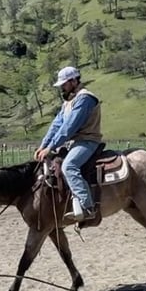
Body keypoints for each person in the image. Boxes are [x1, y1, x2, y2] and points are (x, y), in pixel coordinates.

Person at [34, 66, 102, 222]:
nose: (62, 88)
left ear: (73, 81)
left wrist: (50, 147)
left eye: (64, 84)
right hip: (76, 142)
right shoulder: (69, 101)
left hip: (88, 141)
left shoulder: (85, 98)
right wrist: (43, 145)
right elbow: (56, 125)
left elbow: (69, 127)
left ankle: (88, 207)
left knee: (69, 166)